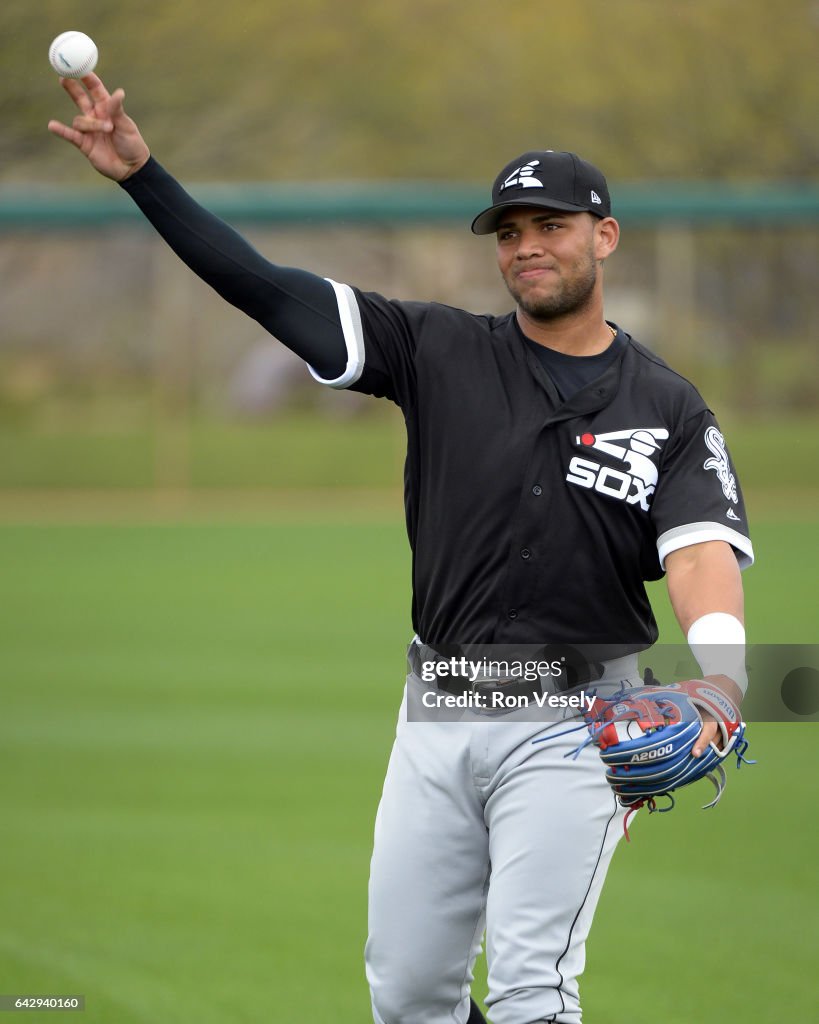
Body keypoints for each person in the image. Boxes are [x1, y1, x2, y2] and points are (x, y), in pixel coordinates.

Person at [49, 75, 754, 1024]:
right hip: (438, 709)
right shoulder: (436, 350)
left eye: (549, 225)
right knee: (409, 995)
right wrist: (144, 177)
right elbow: (265, 288)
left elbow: (697, 553)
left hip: (579, 720)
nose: (526, 247)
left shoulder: (666, 405)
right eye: (508, 232)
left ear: (604, 235)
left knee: (531, 991)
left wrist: (722, 680)